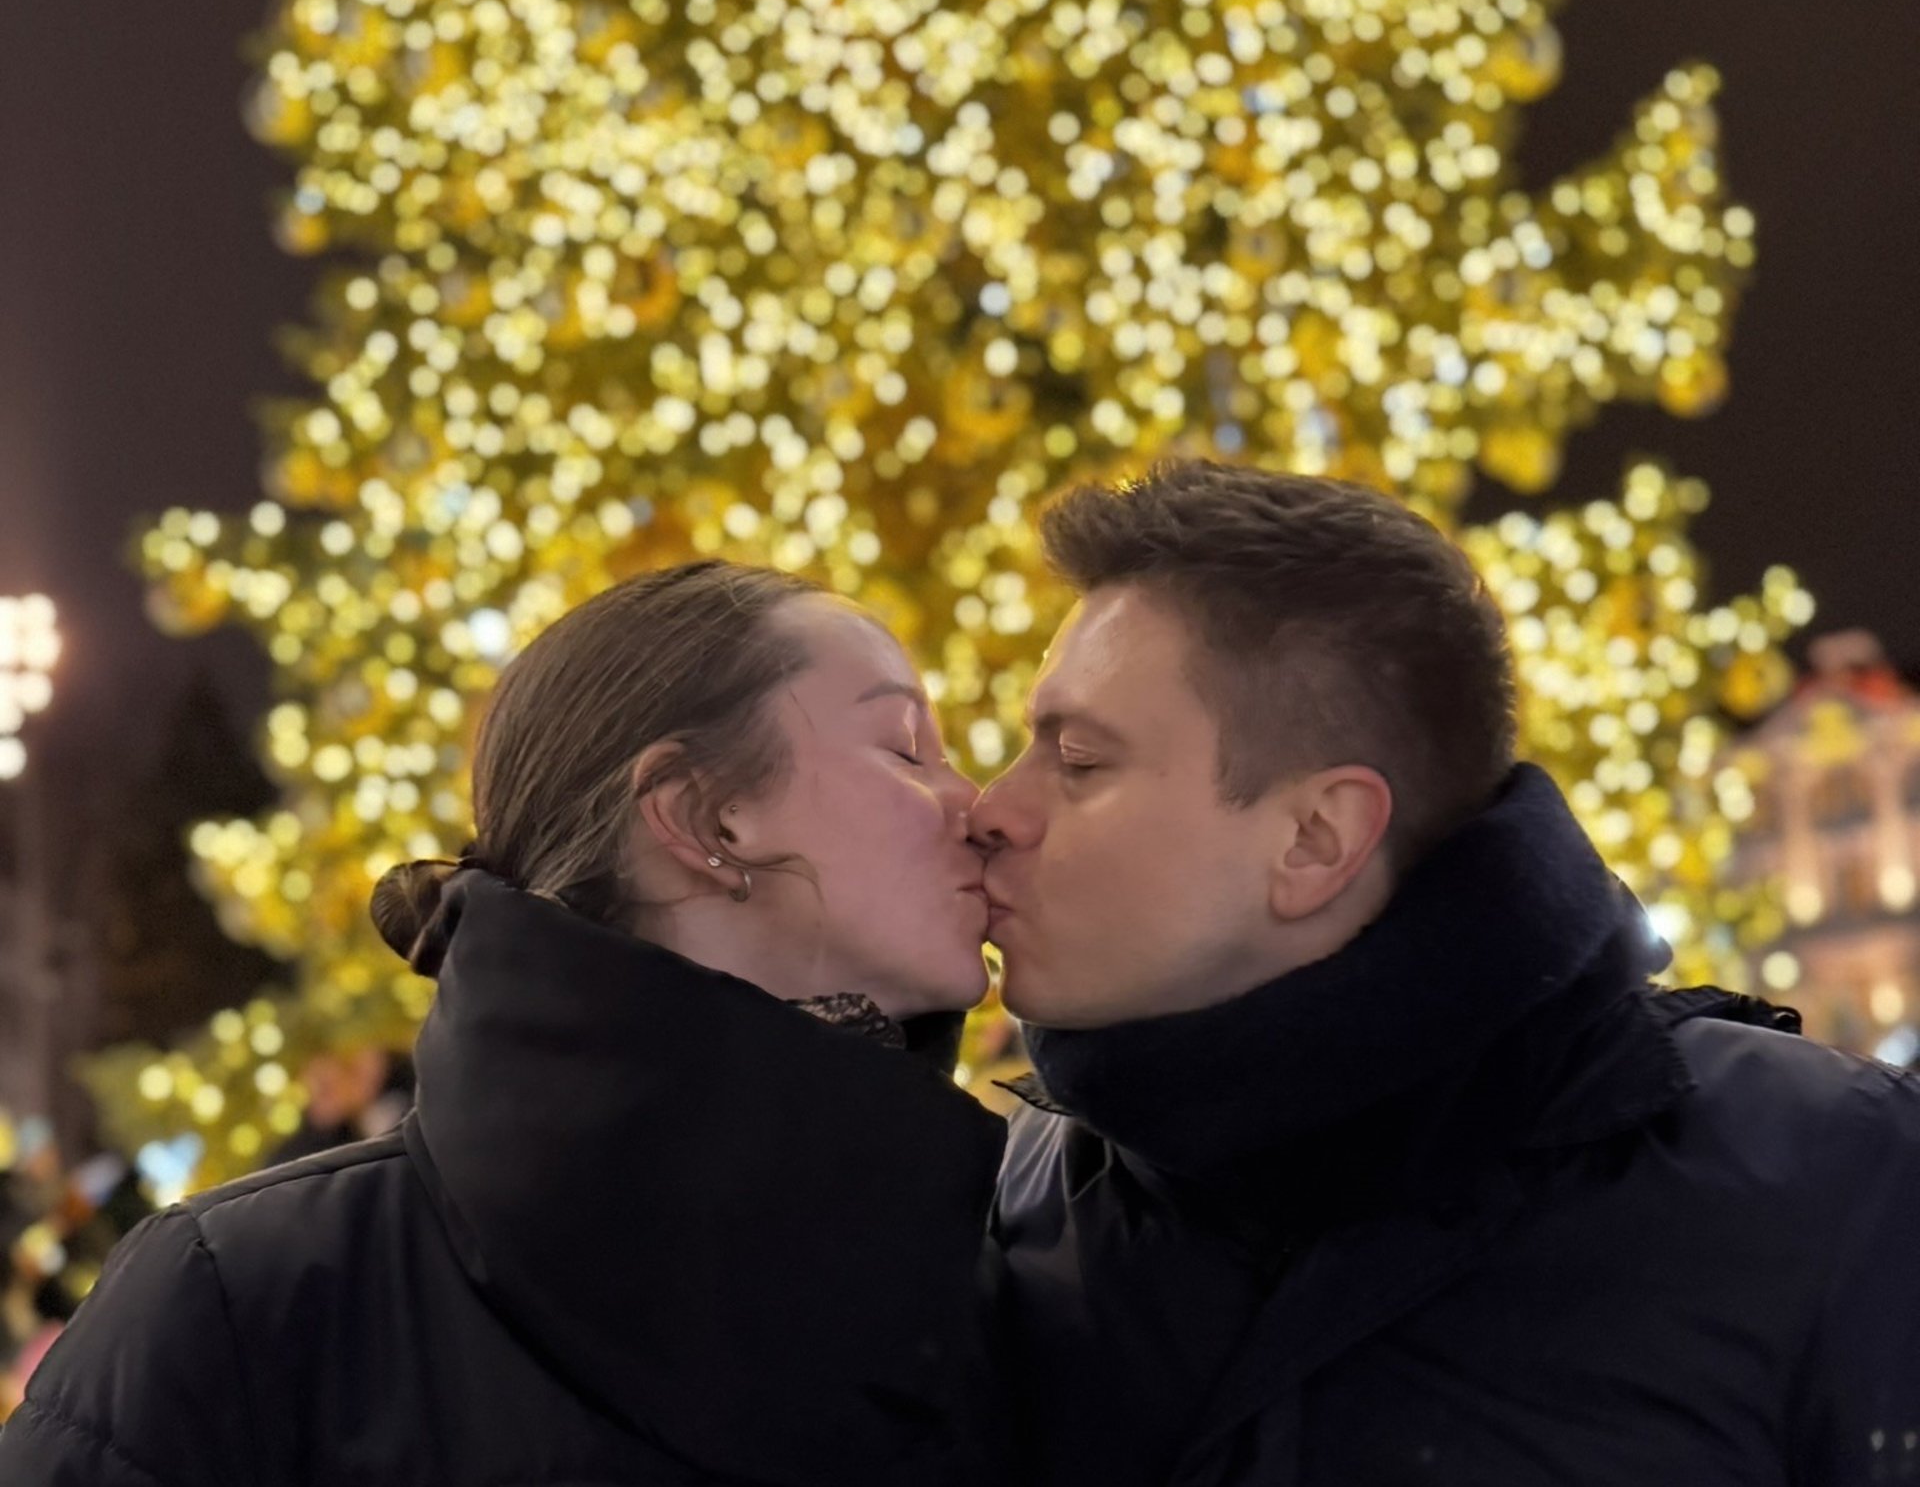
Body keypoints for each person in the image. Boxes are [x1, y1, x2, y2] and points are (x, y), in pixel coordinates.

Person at [973, 459, 1920, 1487]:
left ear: (1314, 839)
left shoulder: (1835, 1185)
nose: (991, 809)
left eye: (1078, 761)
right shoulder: (1008, 1201)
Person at [0, 561, 1007, 1486]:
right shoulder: (247, 1310)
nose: (978, 804)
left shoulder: (1017, 1291)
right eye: (907, 747)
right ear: (706, 819)